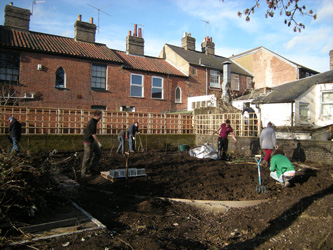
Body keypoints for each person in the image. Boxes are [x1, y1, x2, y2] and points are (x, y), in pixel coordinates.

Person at [81, 110, 103, 177]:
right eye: (101, 115)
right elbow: (93, 134)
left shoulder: (94, 122)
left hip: (91, 141)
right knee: (87, 157)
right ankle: (84, 173)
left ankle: (92, 168)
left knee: (98, 153)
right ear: (97, 116)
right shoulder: (92, 123)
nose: (101, 117)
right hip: (88, 142)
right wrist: (98, 142)